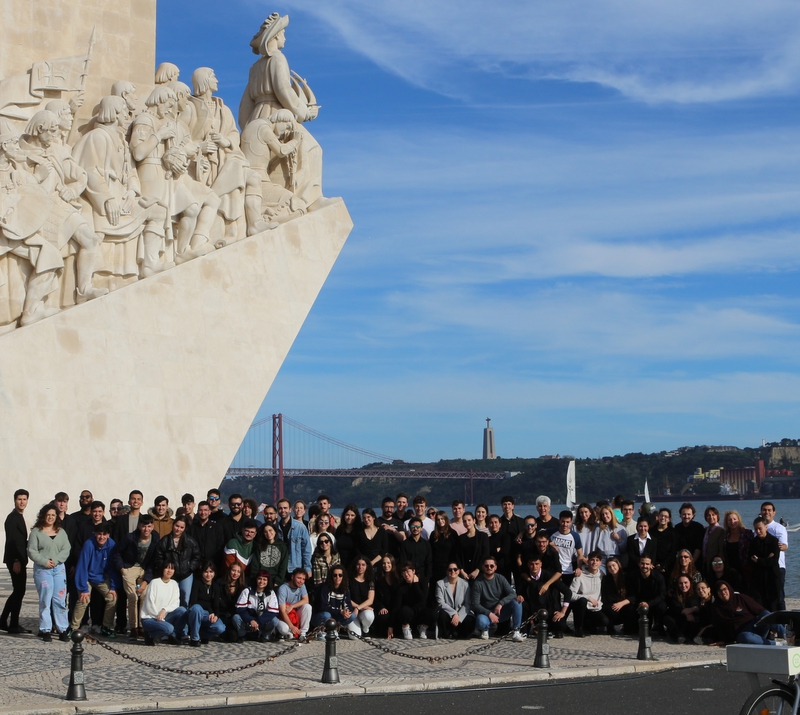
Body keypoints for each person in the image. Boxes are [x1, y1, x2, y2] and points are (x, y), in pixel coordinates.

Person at [27, 503, 71, 642]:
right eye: (48, 515)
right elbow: (32, 551)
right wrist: (44, 561)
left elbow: (66, 548)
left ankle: (62, 628)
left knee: (60, 599)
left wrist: (56, 560)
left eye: (53, 515)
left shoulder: (61, 532)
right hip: (43, 570)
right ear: (43, 516)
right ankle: (45, 629)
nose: (50, 517)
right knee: (45, 599)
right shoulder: (36, 532)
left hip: (58, 569)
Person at [112, 513, 158, 640]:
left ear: (152, 527)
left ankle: (142, 626)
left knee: (144, 596)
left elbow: (153, 562)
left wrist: (146, 581)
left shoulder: (155, 539)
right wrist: (122, 569)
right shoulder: (130, 537)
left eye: (149, 526)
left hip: (144, 569)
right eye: (144, 526)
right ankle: (133, 627)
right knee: (132, 597)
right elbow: (117, 552)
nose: (146, 529)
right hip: (130, 567)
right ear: (139, 526)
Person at [70, 523, 119, 636]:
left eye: (104, 534)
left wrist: (113, 586)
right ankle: (73, 627)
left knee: (112, 598)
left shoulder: (112, 545)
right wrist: (83, 588)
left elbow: (112, 568)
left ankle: (106, 626)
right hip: (87, 576)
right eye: (99, 534)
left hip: (102, 576)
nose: (101, 537)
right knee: (84, 599)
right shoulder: (89, 544)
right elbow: (82, 567)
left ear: (108, 535)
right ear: (95, 534)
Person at [471, 556, 524, 642]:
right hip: (485, 612)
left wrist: (500, 604)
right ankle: (485, 630)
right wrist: (489, 613)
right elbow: (475, 604)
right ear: (482, 567)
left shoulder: (500, 578)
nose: (489, 568)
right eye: (486, 566)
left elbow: (512, 593)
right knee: (481, 622)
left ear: (495, 567)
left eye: (491, 566)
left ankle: (516, 631)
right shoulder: (478, 583)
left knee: (517, 602)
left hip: (500, 610)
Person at [711, 580, 779, 645]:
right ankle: (774, 644)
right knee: (745, 637)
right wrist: (723, 640)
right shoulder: (716, 608)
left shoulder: (740, 598)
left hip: (755, 626)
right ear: (717, 594)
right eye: (720, 591)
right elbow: (718, 627)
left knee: (766, 614)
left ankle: (786, 635)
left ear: (729, 589)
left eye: (725, 589)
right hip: (743, 634)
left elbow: (760, 610)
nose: (723, 592)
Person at [153, 516, 201, 606]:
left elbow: (197, 556)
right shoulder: (164, 541)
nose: (178, 529)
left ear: (185, 528)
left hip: (186, 574)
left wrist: (190, 567)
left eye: (181, 527)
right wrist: (165, 568)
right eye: (177, 526)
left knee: (185, 599)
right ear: (173, 525)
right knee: (169, 599)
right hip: (170, 575)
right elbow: (158, 557)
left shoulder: (190, 541)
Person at [1, 489, 30, 634]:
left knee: (18, 591)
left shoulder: (18, 516)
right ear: (14, 500)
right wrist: (16, 560)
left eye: (24, 499)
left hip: (18, 559)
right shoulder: (13, 518)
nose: (22, 502)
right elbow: (12, 541)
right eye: (20, 499)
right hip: (15, 559)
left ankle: (7, 620)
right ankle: (11, 623)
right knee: (19, 590)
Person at [561, 550, 607, 638]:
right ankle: (578, 629)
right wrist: (588, 597)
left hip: (595, 607)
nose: (594, 562)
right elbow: (571, 594)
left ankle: (588, 626)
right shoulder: (580, 575)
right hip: (582, 607)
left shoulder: (602, 575)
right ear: (588, 561)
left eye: (597, 560)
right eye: (592, 560)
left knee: (604, 621)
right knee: (582, 601)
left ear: (600, 563)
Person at [140, 561, 188, 646]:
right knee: (169, 628)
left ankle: (173, 636)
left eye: (172, 568)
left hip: (164, 617)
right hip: (150, 618)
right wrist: (159, 617)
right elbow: (149, 604)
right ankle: (150, 634)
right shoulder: (154, 582)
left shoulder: (174, 584)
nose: (169, 570)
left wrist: (164, 610)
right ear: (162, 569)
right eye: (167, 568)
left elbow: (175, 603)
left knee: (182, 610)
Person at [523, 554, 570, 638]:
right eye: (532, 564)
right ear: (528, 565)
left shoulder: (549, 576)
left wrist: (563, 612)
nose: (534, 566)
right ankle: (526, 629)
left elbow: (568, 592)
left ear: (541, 564)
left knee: (561, 625)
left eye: (537, 564)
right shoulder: (525, 577)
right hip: (533, 610)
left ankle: (550, 629)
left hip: (550, 609)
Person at [313, 566, 360, 638]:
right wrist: (340, 611)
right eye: (335, 575)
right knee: (327, 615)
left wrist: (346, 612)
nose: (337, 577)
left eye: (340, 575)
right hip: (321, 615)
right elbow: (323, 606)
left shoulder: (345, 590)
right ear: (331, 576)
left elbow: (349, 605)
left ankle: (334, 629)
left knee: (352, 615)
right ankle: (321, 631)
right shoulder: (325, 588)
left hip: (336, 616)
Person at [393, 562, 436, 640]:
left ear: (413, 571)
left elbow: (423, 599)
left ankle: (422, 628)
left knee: (432, 613)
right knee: (403, 610)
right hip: (409, 613)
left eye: (408, 571)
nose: (406, 574)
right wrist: (391, 626)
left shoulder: (423, 581)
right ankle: (406, 628)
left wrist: (415, 584)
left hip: (421, 611)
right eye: (403, 572)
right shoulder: (401, 586)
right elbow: (397, 606)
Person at [187, 561, 226, 645]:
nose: (208, 574)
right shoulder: (197, 582)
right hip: (197, 612)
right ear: (202, 572)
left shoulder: (215, 586)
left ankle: (202, 635)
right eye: (206, 572)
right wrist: (210, 610)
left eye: (211, 572)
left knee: (221, 628)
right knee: (197, 608)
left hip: (208, 614)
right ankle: (194, 639)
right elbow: (194, 602)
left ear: (214, 573)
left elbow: (216, 604)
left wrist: (216, 615)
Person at [236, 570, 280, 642]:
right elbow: (240, 609)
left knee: (275, 620)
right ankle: (242, 635)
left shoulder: (271, 593)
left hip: (262, 622)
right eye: (259, 578)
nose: (261, 581)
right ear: (256, 579)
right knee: (236, 617)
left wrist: (258, 621)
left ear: (268, 581)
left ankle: (265, 635)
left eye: (264, 579)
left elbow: (273, 612)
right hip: (248, 622)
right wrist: (251, 620)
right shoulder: (247, 591)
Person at [748, 516, 781, 612]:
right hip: (758, 578)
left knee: (773, 605)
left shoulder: (774, 541)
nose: (758, 531)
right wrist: (765, 559)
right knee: (759, 606)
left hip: (772, 578)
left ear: (766, 527)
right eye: (756, 529)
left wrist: (759, 560)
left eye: (760, 528)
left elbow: (773, 561)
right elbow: (750, 559)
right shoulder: (753, 542)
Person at [436, 561, 475, 639]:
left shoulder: (465, 584)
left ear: (459, 571)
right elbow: (440, 603)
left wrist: (459, 616)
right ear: (447, 572)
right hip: (447, 612)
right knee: (442, 615)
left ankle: (460, 633)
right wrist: (454, 613)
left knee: (470, 620)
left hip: (461, 613)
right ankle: (446, 633)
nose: (452, 571)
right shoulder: (440, 583)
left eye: (455, 569)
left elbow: (468, 603)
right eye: (450, 570)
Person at [626, 556, 667, 630]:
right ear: (639, 564)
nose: (645, 566)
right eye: (642, 563)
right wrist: (641, 602)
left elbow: (662, 595)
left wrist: (649, 603)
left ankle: (659, 625)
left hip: (654, 602)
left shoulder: (659, 577)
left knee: (662, 607)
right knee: (629, 608)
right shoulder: (633, 576)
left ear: (651, 565)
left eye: (647, 564)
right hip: (639, 601)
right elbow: (632, 594)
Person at [761, 502, 788, 611]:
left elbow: (783, 546)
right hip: (763, 566)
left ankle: (783, 622)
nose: (766, 512)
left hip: (778, 566)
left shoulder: (779, 528)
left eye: (769, 510)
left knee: (779, 595)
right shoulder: (758, 528)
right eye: (764, 510)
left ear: (774, 513)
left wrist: (772, 550)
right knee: (765, 595)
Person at [275, 498, 312, 578]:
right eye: (280, 508)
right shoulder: (275, 528)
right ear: (277, 510)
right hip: (280, 568)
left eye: (285, 508)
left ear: (290, 510)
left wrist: (307, 568)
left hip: (296, 568)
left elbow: (306, 549)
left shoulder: (300, 527)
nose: (283, 510)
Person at [276, 568, 313, 640]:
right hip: (283, 617)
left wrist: (292, 606)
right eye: (299, 578)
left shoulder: (302, 586)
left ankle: (303, 633)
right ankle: (287, 632)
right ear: (292, 577)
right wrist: (291, 626)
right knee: (284, 629)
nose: (301, 581)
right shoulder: (283, 589)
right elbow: (283, 611)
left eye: (303, 579)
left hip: (295, 614)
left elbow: (306, 600)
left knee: (307, 607)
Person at [663, 574, 700, 643]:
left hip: (691, 619)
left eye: (685, 583)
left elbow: (695, 605)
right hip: (679, 616)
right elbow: (674, 606)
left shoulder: (695, 594)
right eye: (680, 583)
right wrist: (685, 611)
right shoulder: (675, 594)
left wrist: (690, 611)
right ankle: (679, 636)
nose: (683, 586)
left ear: (690, 583)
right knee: (667, 618)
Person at [549, 511, 583, 586]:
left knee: (567, 593)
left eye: (567, 522)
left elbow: (580, 554)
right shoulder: (551, 532)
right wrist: (550, 543)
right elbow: (538, 536)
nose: (565, 524)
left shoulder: (575, 536)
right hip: (553, 570)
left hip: (568, 570)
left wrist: (579, 567)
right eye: (563, 521)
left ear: (571, 522)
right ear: (559, 521)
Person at [601, 556, 633, 634]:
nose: (612, 568)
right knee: (611, 609)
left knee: (630, 608)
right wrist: (616, 604)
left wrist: (621, 603)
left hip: (624, 602)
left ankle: (628, 628)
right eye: (609, 567)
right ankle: (610, 627)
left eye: (613, 565)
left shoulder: (627, 577)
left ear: (618, 565)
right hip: (611, 603)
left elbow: (633, 595)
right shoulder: (606, 579)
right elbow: (606, 596)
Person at [251, 522, 288, 588]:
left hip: (275, 580)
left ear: (275, 531)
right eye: (265, 532)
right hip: (261, 579)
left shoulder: (282, 546)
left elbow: (283, 565)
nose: (268, 533)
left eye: (270, 530)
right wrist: (255, 579)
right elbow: (255, 564)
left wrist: (278, 580)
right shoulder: (259, 546)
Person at [400, 516, 433, 587]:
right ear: (409, 528)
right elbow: (403, 562)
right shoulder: (404, 544)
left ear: (421, 528)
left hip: (423, 577)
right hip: (409, 577)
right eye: (413, 526)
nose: (415, 529)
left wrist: (427, 579)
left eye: (418, 526)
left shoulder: (426, 544)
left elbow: (429, 562)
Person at [429, 511, 459, 588]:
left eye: (442, 519)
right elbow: (430, 551)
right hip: (435, 568)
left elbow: (456, 552)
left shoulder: (452, 534)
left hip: (448, 567)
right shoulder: (433, 534)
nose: (440, 521)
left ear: (446, 519)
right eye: (438, 519)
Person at [218, 562, 246, 642]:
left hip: (234, 616)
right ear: (229, 570)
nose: (235, 573)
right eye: (234, 570)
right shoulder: (220, 583)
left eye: (238, 572)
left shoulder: (243, 587)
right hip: (222, 614)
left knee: (233, 636)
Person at [458, 512, 489, 583]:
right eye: (464, 521)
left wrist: (478, 569)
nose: (467, 523)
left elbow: (485, 554)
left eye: (469, 520)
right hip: (464, 574)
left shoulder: (483, 536)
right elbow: (458, 555)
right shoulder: (461, 538)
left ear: (474, 520)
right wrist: (462, 571)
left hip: (479, 573)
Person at [349, 557, 375, 636]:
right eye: (358, 564)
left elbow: (370, 600)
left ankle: (365, 628)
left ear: (367, 566)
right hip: (352, 610)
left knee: (369, 616)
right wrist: (357, 608)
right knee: (354, 636)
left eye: (363, 565)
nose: (360, 567)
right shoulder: (349, 580)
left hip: (363, 610)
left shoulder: (370, 581)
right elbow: (347, 598)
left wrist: (359, 608)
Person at [373, 554, 399, 638]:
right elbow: (376, 597)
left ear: (392, 564)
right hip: (384, 608)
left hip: (395, 608)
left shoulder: (398, 580)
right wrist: (381, 607)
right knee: (383, 617)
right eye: (384, 563)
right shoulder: (378, 580)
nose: (386, 565)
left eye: (388, 563)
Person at [723, 509, 753, 579]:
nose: (732, 522)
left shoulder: (747, 533)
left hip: (746, 569)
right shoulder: (725, 535)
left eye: (734, 519)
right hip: (731, 570)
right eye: (729, 520)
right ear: (726, 522)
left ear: (739, 520)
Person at [334, 504, 361, 568]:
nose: (349, 517)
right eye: (347, 515)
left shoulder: (360, 530)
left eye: (352, 515)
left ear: (356, 516)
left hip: (355, 565)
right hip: (340, 564)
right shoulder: (339, 529)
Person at [487, 514, 512, 582]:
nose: (493, 524)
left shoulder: (505, 536)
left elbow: (505, 552)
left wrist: (493, 552)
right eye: (491, 523)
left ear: (500, 524)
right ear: (488, 525)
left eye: (495, 522)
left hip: (504, 569)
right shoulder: (488, 539)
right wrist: (496, 550)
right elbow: (487, 553)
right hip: (491, 569)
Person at [652, 508, 677, 578]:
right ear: (658, 517)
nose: (663, 518)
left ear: (669, 519)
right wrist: (655, 563)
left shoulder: (673, 532)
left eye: (666, 516)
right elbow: (650, 549)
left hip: (668, 566)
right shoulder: (651, 531)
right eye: (661, 516)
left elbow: (673, 551)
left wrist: (664, 565)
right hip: (653, 565)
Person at [702, 506, 726, 574]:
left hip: (715, 564)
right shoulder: (705, 530)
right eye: (708, 515)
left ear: (717, 516)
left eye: (713, 515)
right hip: (705, 562)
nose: (711, 517)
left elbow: (721, 549)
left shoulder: (721, 531)